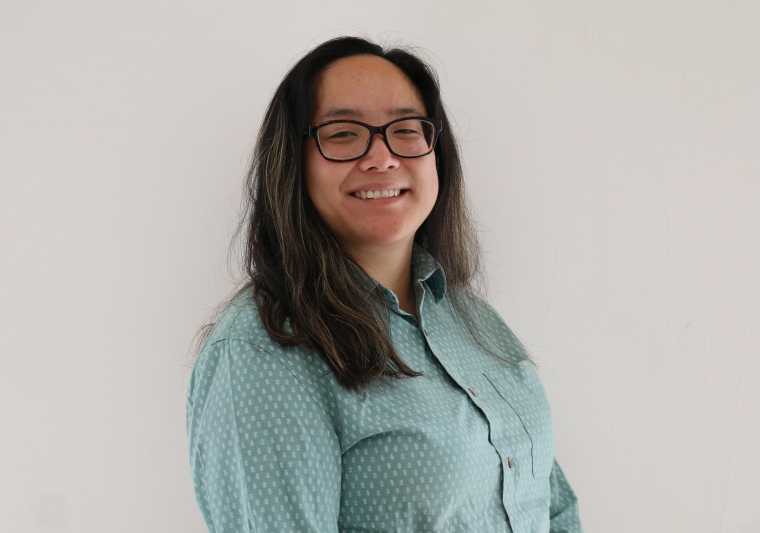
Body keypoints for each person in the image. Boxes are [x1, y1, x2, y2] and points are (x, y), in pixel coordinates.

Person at [187, 36, 582, 532]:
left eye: (406, 129)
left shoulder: (470, 318)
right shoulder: (262, 352)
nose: (382, 158)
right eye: (343, 133)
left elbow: (550, 507)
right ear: (292, 162)